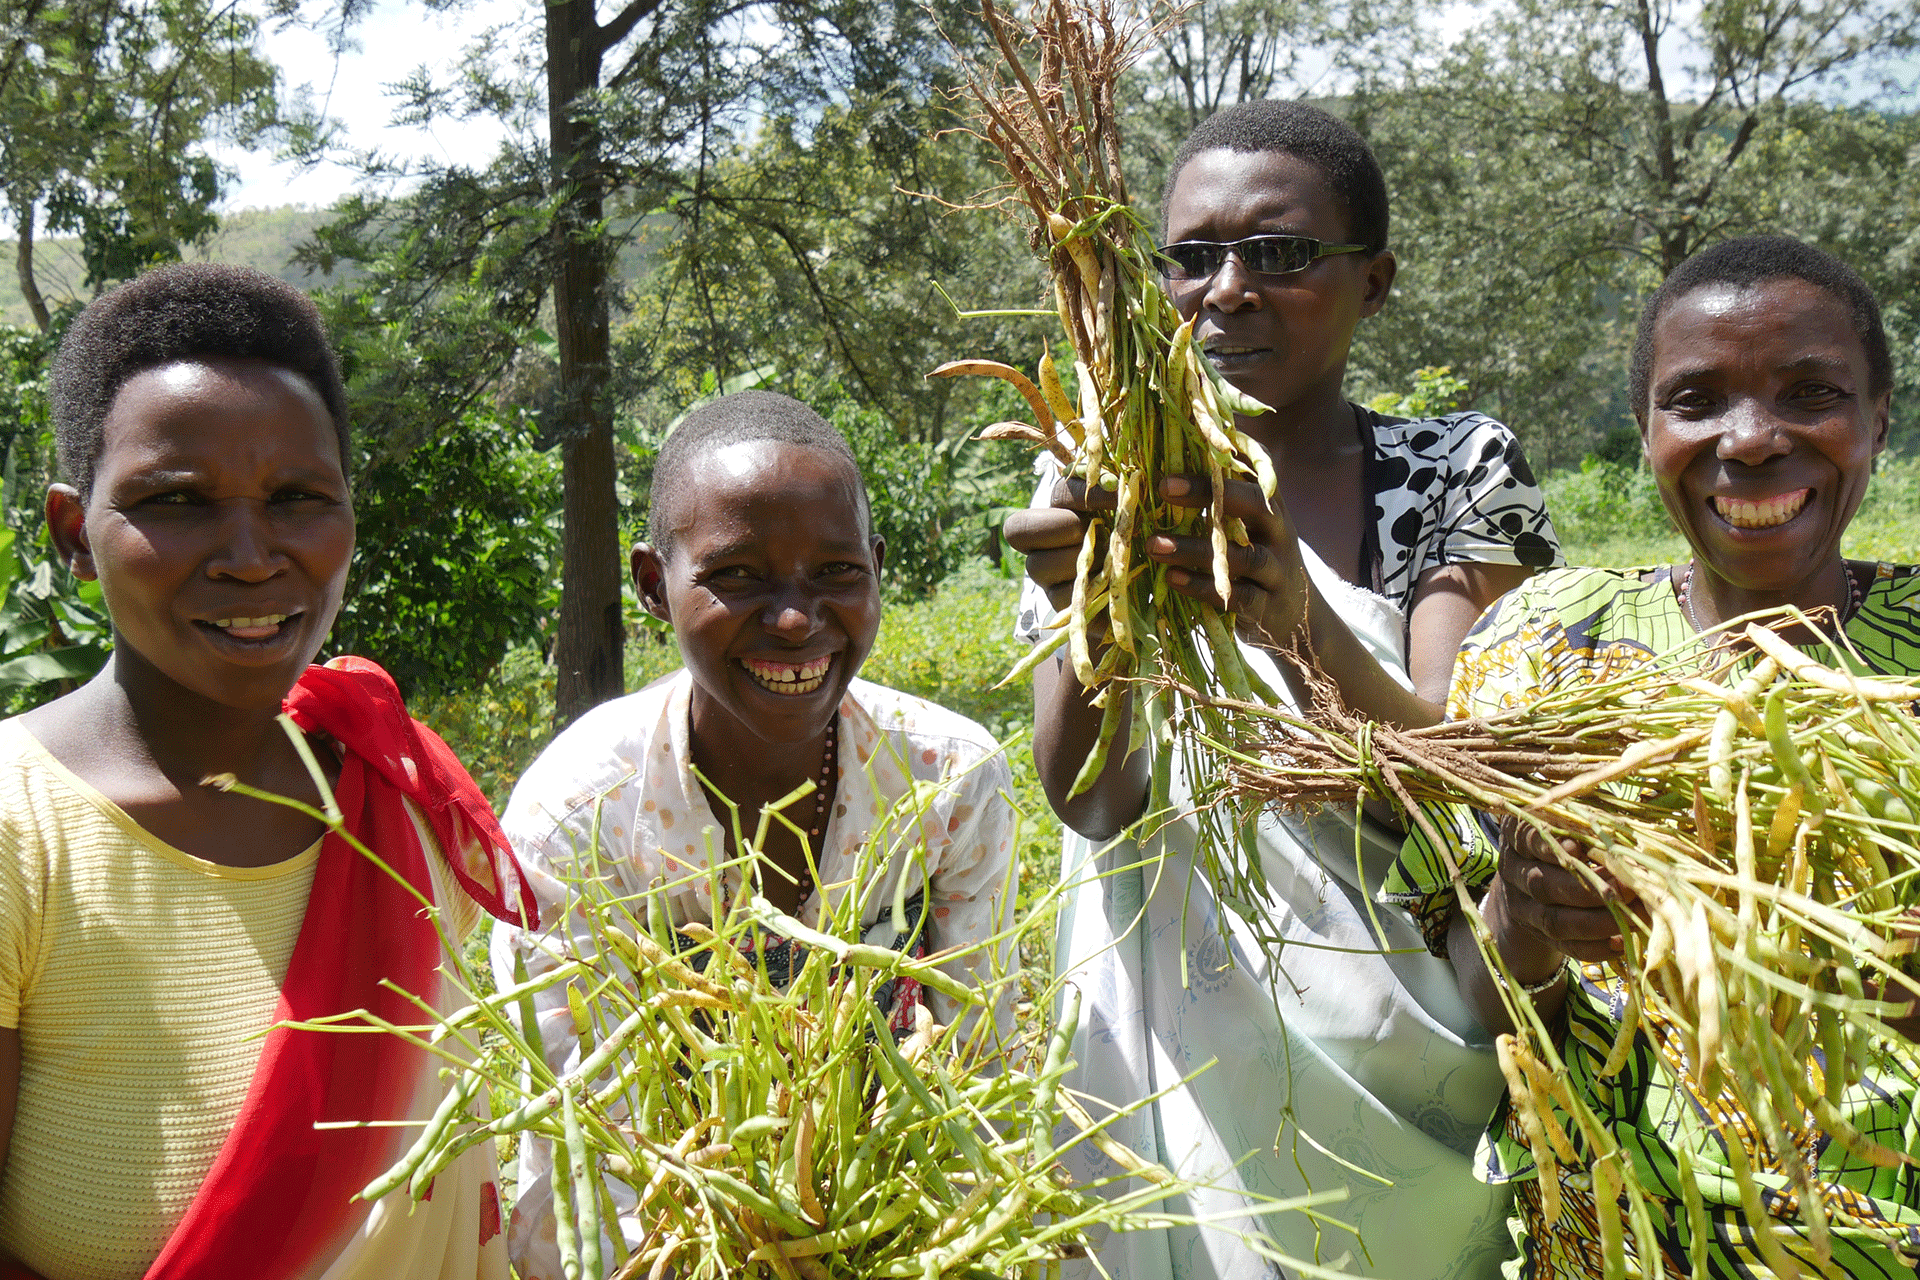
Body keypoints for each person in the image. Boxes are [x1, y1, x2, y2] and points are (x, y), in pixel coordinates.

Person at [1004, 99, 1562, 1280]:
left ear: (1378, 279)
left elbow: (1469, 767)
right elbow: (1092, 800)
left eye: (1282, 252)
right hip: (1167, 1075)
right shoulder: (1095, 468)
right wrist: (1089, 603)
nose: (1228, 289)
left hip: (1405, 1066)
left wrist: (1303, 628)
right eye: (1193, 257)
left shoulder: (1451, 470)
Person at [1386, 234, 1920, 1277]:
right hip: (1618, 1243)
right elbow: (1476, 1001)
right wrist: (1526, 920)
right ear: (1646, 432)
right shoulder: (1547, 646)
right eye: (1698, 397)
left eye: (1812, 391)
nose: (1754, 439)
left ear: (1878, 420)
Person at [0, 264, 539, 1280]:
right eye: (176, 501)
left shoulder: (403, 796)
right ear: (75, 532)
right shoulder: (18, 830)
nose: (252, 555)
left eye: (298, 498)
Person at [492, 390, 1018, 1278]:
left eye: (836, 573)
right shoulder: (578, 815)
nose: (792, 617)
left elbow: (974, 1063)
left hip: (886, 1236)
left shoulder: (947, 778)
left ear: (878, 572)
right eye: (735, 575)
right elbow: (597, 1140)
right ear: (655, 585)